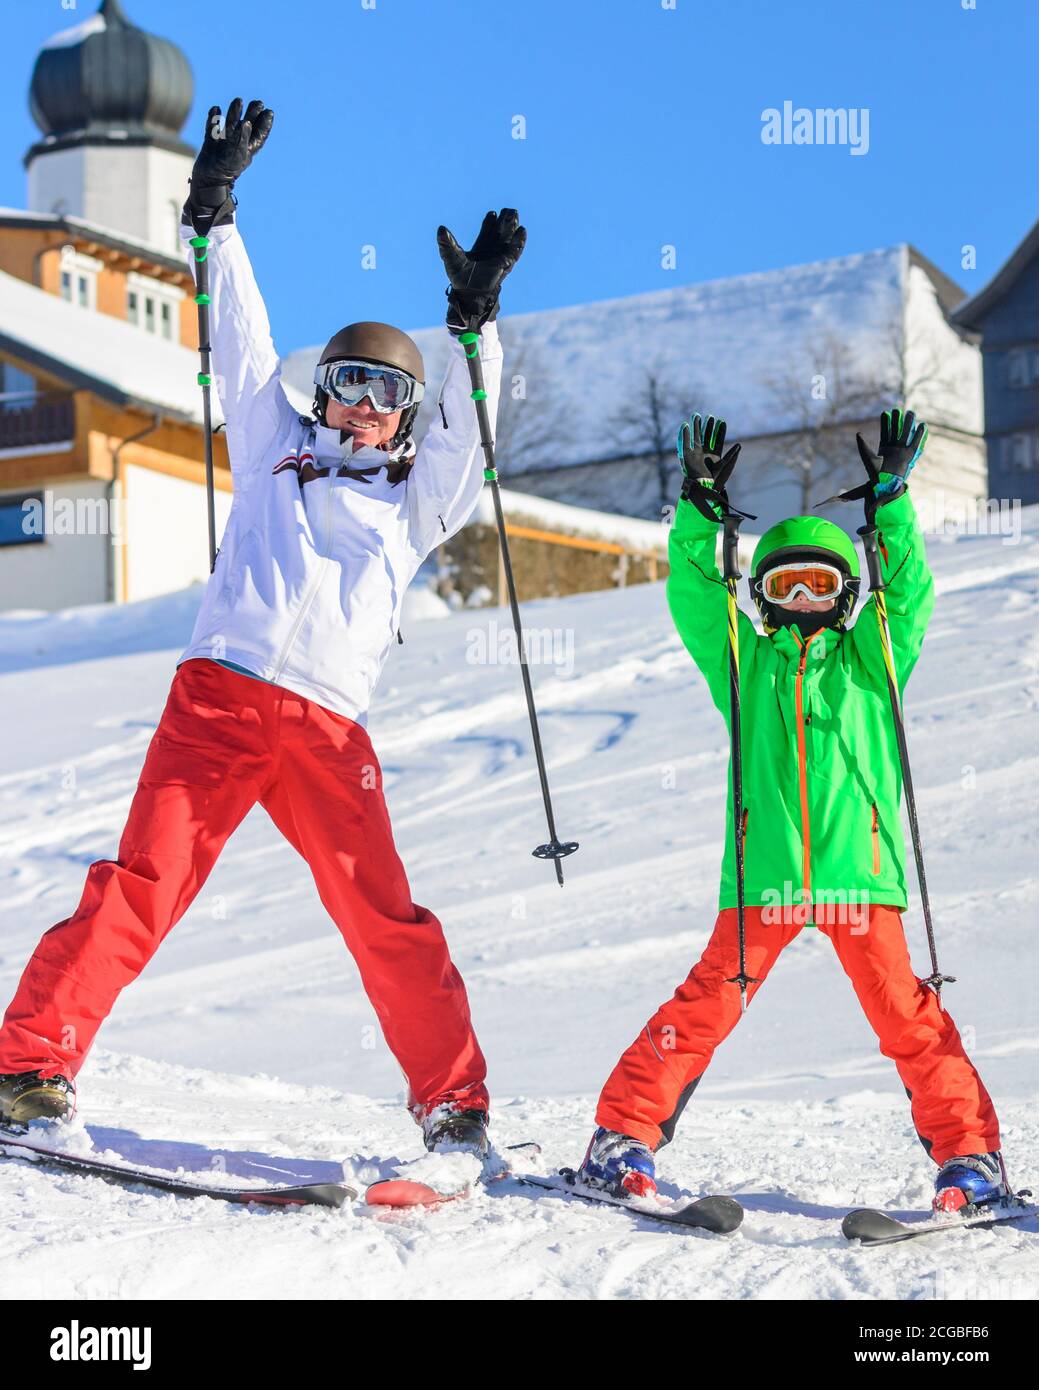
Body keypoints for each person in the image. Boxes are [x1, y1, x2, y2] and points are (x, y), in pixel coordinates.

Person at [0, 99, 526, 1158]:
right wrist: (216, 215)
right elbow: (240, 343)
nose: (359, 407)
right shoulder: (271, 450)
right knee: (141, 883)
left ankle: (454, 1104)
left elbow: (472, 436)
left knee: (384, 918)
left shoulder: (416, 500)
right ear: (319, 395)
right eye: (344, 386)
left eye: (384, 393)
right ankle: (29, 1067)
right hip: (218, 701)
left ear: (406, 415)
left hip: (330, 729)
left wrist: (473, 326)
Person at [580, 409, 1008, 1214]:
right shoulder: (744, 666)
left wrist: (890, 506)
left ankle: (970, 1158)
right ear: (764, 596)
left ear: (846, 594)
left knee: (906, 1020)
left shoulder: (873, 661)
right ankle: (621, 1138)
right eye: (785, 584)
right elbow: (698, 602)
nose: (804, 598)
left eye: (820, 583)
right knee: (701, 1009)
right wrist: (700, 513)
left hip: (859, 874)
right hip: (763, 878)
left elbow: (908, 588)